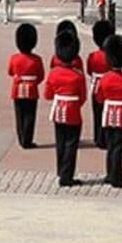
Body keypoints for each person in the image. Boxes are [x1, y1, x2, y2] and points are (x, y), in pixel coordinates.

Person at [44, 33, 87, 187]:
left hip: (58, 110)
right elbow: (83, 98)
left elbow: (48, 95)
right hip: (73, 110)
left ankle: (61, 170)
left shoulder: (53, 73)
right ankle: (67, 176)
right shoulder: (78, 76)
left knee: (60, 141)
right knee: (71, 143)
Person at [95, 34, 122, 188]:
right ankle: (116, 178)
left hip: (107, 114)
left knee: (111, 146)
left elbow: (99, 98)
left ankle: (110, 174)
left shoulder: (105, 78)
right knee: (118, 147)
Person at [8, 23, 45, 149]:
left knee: (19, 115)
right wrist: (33, 82)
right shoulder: (37, 59)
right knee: (30, 115)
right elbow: (41, 76)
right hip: (31, 89)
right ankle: (28, 140)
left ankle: (21, 138)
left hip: (17, 88)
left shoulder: (14, 58)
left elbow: (10, 72)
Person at [86, 21, 114, 150]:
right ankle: (106, 138)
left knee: (97, 113)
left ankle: (98, 137)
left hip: (96, 87)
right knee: (107, 113)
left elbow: (89, 71)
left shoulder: (93, 56)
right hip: (109, 87)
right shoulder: (111, 55)